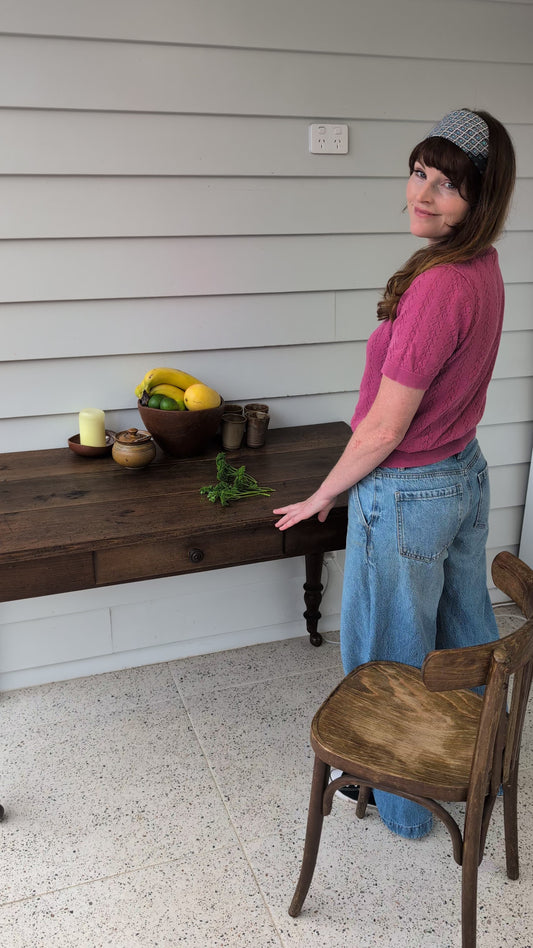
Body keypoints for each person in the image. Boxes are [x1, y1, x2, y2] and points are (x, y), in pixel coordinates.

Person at [273, 108, 516, 839]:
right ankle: (483, 770)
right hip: (461, 474)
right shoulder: (479, 264)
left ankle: (406, 811)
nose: (422, 193)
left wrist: (325, 493)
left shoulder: (439, 287)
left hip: (409, 490)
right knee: (465, 631)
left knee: (391, 655)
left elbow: (383, 427)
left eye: (447, 185)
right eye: (419, 172)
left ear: (480, 199)